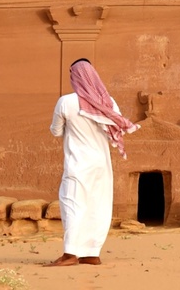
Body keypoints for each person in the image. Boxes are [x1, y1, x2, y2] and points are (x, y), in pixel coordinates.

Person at [47, 58, 139, 267]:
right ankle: (91, 253)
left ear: (75, 76)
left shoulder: (66, 102)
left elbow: (55, 130)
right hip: (101, 163)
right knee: (98, 204)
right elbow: (113, 130)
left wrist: (71, 128)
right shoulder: (108, 102)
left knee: (72, 203)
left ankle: (70, 254)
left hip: (78, 163)